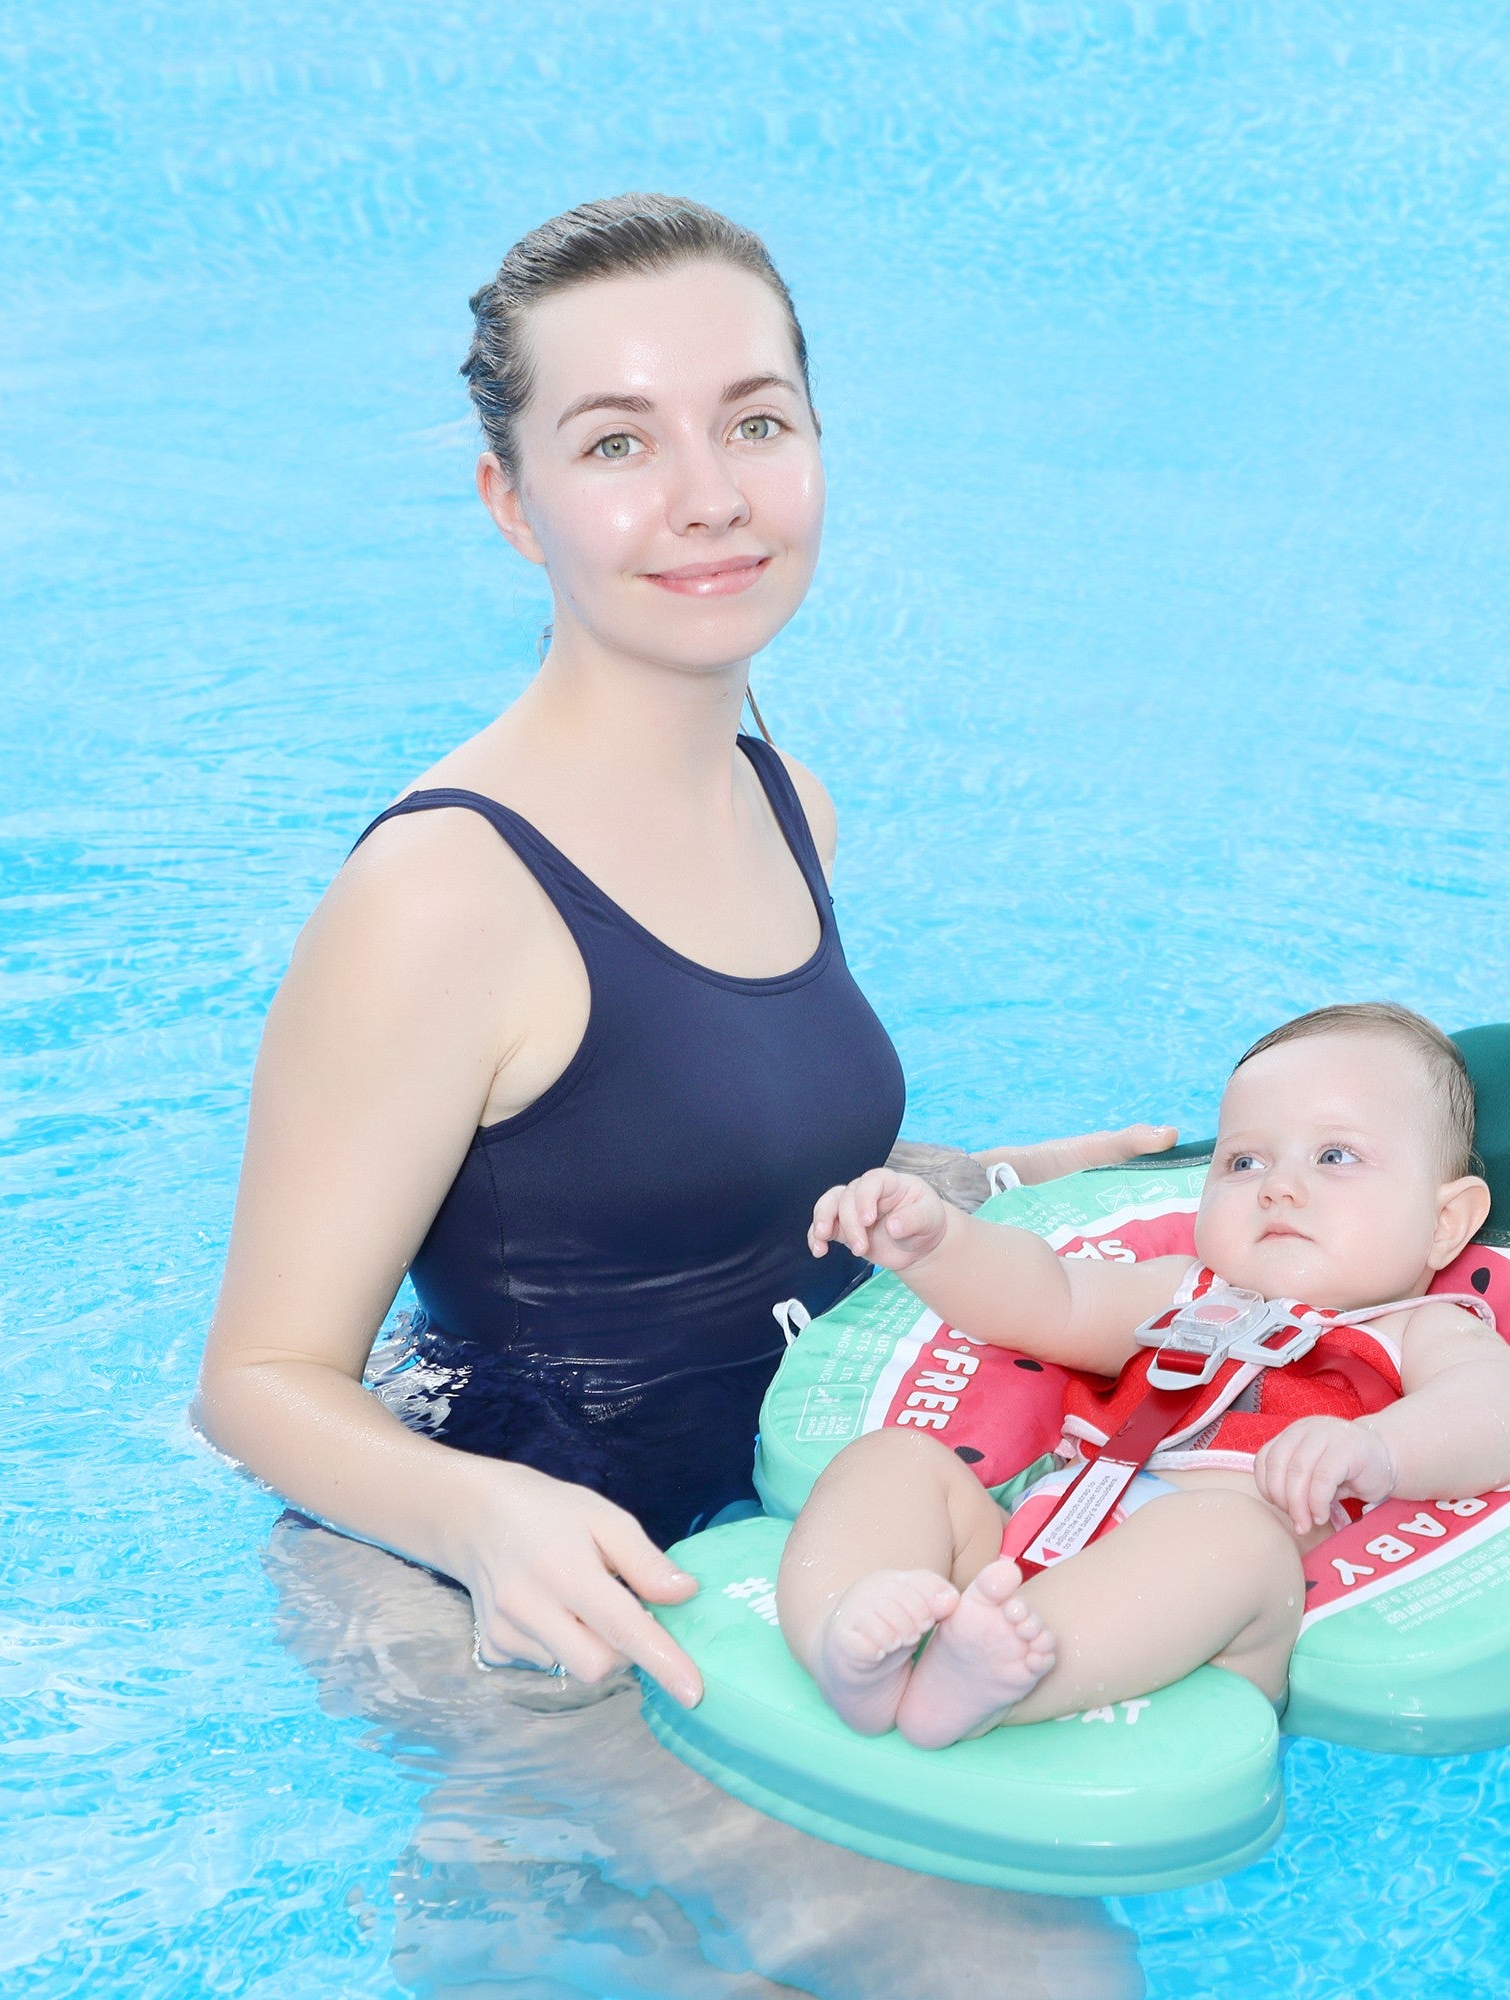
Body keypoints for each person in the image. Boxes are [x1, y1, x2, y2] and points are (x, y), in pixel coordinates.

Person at [193, 193, 1170, 1710]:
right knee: (1004, 1953)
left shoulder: (790, 807)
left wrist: (972, 1185)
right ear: (513, 503)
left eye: (757, 423)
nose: (711, 497)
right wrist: (486, 1520)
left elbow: (663, 1140)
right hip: (517, 1579)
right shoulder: (445, 894)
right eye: (618, 444)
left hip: (792, 1511)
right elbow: (257, 1382)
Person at [778, 1002, 1510, 1749]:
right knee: (896, 1459)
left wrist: (1380, 1448)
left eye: (1336, 1156)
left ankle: (989, 1683)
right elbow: (1047, 1297)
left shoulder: (1420, 1328)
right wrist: (939, 1243)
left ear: (1446, 1221)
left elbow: (1500, 1410)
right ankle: (852, 1644)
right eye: (1244, 1160)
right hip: (1020, 1560)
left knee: (1234, 1538)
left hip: (1202, 1626)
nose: (1278, 1185)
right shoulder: (1184, 1291)